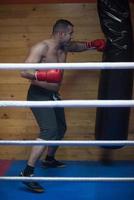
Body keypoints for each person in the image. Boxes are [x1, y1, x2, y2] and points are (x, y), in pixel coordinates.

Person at [20, 19, 106, 193]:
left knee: (60, 128)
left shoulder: (64, 46)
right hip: (38, 95)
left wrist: (93, 45)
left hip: (53, 95)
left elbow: (77, 47)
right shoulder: (42, 47)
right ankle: (26, 173)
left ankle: (49, 159)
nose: (72, 36)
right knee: (49, 130)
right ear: (61, 33)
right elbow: (24, 71)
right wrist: (45, 76)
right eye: (70, 33)